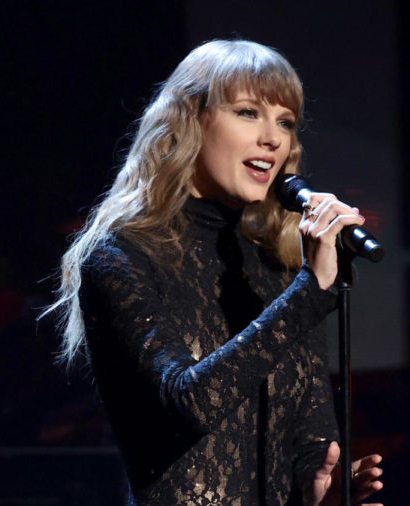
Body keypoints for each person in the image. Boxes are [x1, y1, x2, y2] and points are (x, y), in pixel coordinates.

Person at [51, 39, 384, 505]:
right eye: (249, 112)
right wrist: (309, 292)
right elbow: (188, 402)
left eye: (285, 122)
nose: (273, 137)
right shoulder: (121, 254)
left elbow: (310, 441)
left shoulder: (280, 268)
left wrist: (322, 486)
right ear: (191, 120)